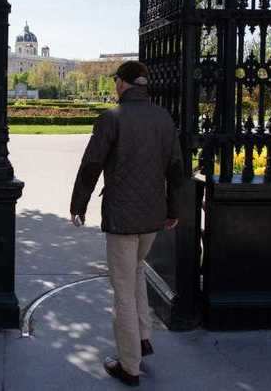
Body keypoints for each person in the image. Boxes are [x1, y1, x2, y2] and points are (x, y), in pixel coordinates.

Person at [70, 60, 184, 387]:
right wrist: (173, 209)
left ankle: (129, 365)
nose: (114, 85)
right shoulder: (163, 117)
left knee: (122, 290)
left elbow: (91, 164)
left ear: (123, 83)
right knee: (135, 272)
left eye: (116, 80)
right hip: (152, 216)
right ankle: (144, 337)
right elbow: (176, 169)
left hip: (122, 218)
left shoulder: (112, 118)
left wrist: (79, 203)